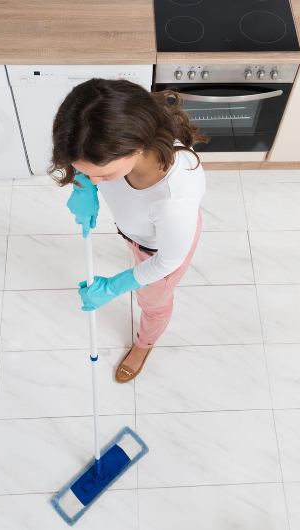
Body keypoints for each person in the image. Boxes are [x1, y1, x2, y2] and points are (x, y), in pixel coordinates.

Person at [47, 78, 208, 383]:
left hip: (159, 252)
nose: (94, 180)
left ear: (137, 146)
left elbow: (167, 262)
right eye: (86, 172)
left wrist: (115, 287)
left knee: (153, 302)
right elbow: (92, 170)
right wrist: (84, 189)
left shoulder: (175, 199)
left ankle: (144, 343)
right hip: (137, 231)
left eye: (103, 174)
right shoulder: (108, 137)